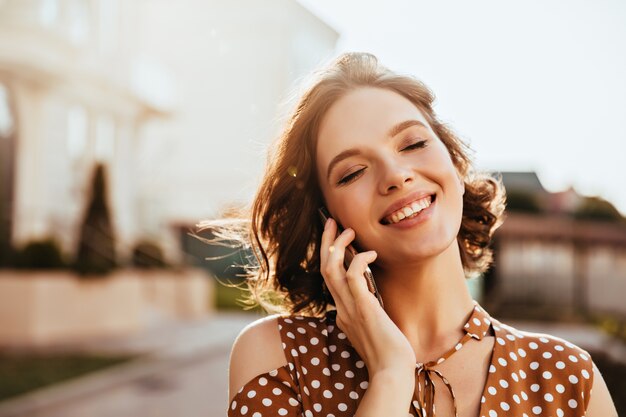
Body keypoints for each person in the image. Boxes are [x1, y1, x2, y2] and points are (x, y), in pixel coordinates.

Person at [224, 52, 617, 417]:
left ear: (455, 164)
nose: (396, 176)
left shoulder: (567, 378)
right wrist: (391, 377)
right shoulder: (277, 355)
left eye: (413, 143)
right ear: (328, 218)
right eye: (352, 172)